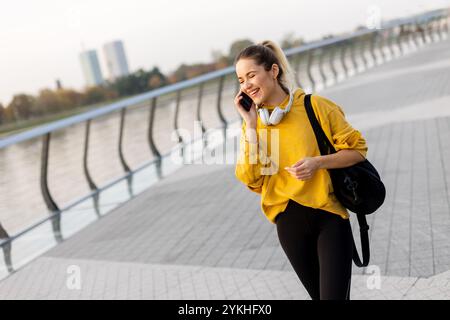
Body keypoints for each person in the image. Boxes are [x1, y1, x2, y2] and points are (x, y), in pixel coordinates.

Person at [233, 40, 368, 300]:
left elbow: (358, 150)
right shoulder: (256, 126)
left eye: (251, 75)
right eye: (240, 80)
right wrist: (250, 125)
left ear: (273, 71)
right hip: (289, 224)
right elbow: (251, 179)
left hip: (329, 216)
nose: (246, 84)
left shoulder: (314, 107)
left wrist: (318, 162)